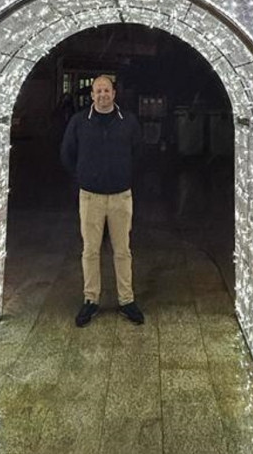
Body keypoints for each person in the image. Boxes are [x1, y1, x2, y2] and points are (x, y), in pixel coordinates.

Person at [60, 75, 144, 327]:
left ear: (114, 93)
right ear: (92, 94)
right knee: (90, 250)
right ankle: (90, 300)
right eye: (98, 91)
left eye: (106, 90)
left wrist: (125, 175)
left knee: (122, 250)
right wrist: (83, 175)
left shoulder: (128, 122)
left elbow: (139, 153)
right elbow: (67, 153)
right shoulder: (79, 122)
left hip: (121, 196)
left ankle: (126, 300)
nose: (102, 95)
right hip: (90, 196)